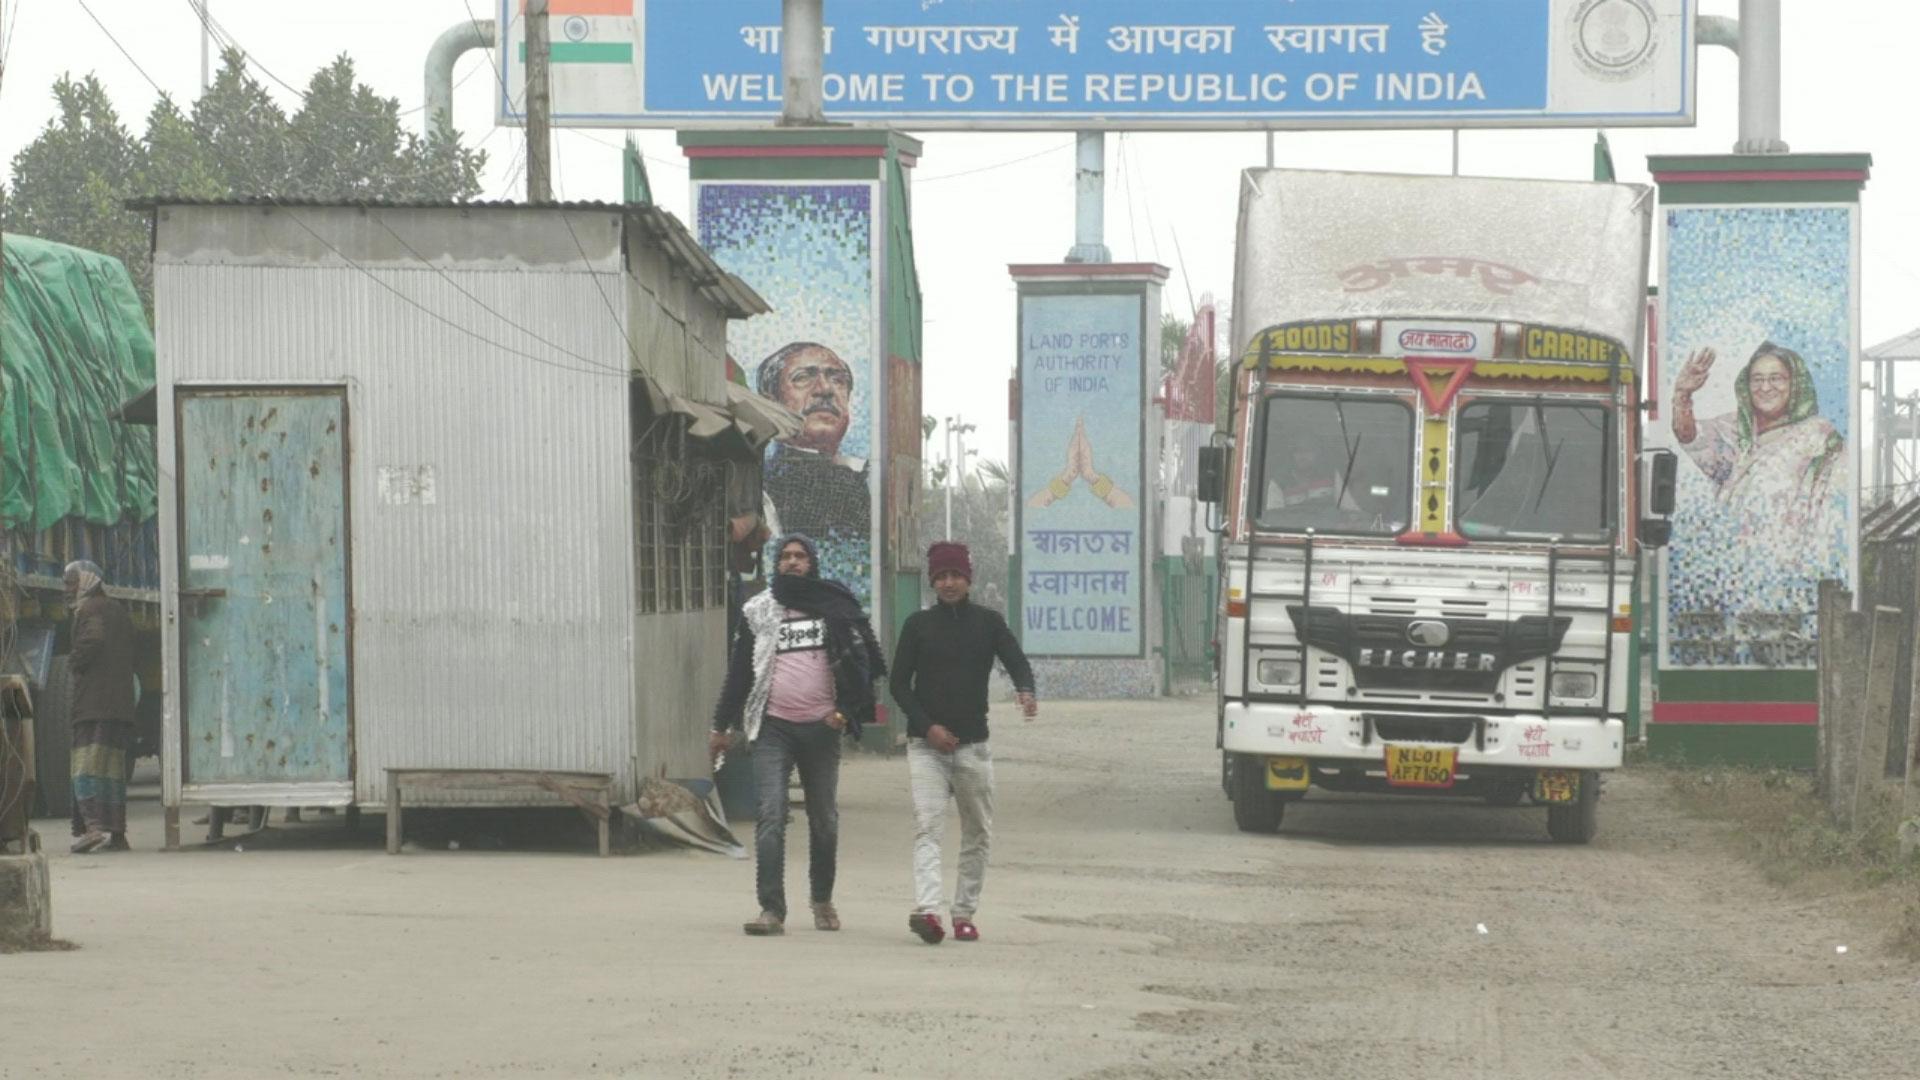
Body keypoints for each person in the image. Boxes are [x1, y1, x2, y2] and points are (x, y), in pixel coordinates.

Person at [710, 534, 885, 936]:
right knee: (770, 815)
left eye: (800, 556)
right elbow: (739, 674)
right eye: (785, 556)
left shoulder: (835, 606)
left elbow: (865, 664)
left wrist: (844, 712)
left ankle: (821, 899)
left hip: (822, 729)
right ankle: (771, 909)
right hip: (773, 727)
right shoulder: (759, 610)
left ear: (813, 562)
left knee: (824, 820)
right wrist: (719, 727)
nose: (792, 562)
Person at [890, 541, 1037, 945]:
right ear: (933, 582)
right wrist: (927, 727)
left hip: (973, 747)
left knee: (978, 832)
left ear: (968, 579)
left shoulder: (988, 623)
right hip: (926, 750)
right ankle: (928, 911)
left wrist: (1025, 690)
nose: (949, 583)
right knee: (927, 827)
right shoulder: (917, 626)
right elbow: (899, 684)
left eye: (955, 575)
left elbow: (1016, 661)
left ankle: (963, 914)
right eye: (941, 577)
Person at [1672, 341, 1846, 528]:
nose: (1765, 388)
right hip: (1734, 543)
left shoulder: (1819, 436)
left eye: (1776, 378)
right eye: (1757, 379)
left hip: (1792, 545)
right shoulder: (1731, 427)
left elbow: (1832, 501)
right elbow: (1689, 437)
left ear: (1795, 383)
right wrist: (1683, 394)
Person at [757, 343, 871, 551]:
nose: (825, 389)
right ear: (771, 401)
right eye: (803, 378)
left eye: (837, 380)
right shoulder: (762, 487)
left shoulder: (870, 476)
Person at [63, 560, 137, 854]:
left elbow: (93, 639)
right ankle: (118, 835)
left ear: (87, 581)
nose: (67, 590)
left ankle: (93, 829)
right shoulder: (117, 609)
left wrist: (74, 662)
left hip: (94, 706)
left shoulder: (90, 610)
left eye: (71, 583)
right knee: (112, 772)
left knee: (86, 768)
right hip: (119, 706)